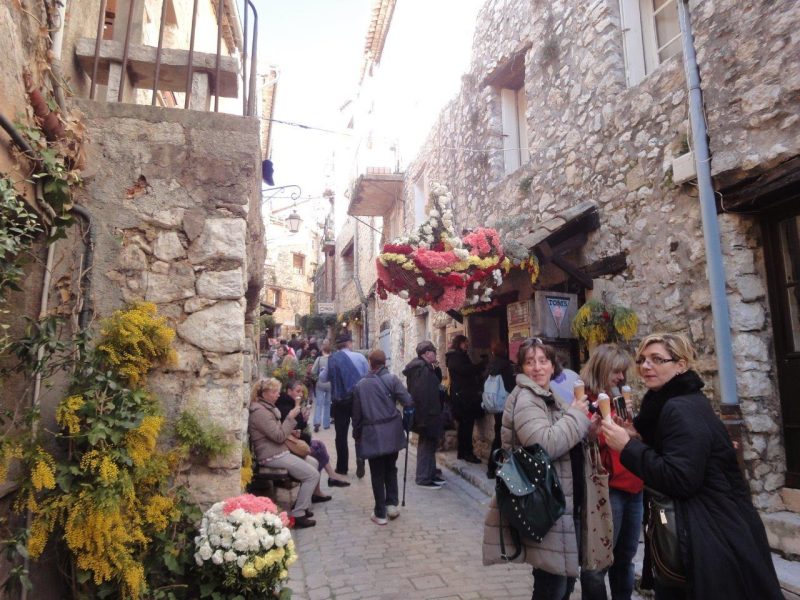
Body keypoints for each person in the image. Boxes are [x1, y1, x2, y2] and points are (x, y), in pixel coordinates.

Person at [601, 333, 782, 600]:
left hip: (710, 533)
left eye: (657, 359)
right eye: (642, 359)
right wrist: (638, 438)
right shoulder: (667, 403)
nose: (645, 366)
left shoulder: (680, 408)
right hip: (706, 526)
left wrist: (627, 447)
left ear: (681, 365)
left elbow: (680, 478)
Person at [482, 338, 591, 600]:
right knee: (552, 584)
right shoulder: (527, 398)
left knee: (560, 580)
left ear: (554, 366)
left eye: (543, 361)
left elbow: (566, 432)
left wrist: (589, 426)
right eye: (530, 362)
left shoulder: (546, 394)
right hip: (545, 501)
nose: (538, 368)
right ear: (521, 367)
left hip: (559, 500)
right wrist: (577, 415)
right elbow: (545, 444)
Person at [577, 344, 641, 600]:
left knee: (625, 559)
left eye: (623, 372)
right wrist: (589, 435)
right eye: (616, 371)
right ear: (602, 368)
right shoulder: (583, 401)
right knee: (596, 563)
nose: (621, 378)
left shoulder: (620, 399)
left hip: (634, 487)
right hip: (606, 488)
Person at [248, 378, 319, 528]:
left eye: (277, 391)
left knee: (314, 463)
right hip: (271, 455)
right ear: (264, 393)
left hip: (279, 450)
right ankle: (299, 514)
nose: (277, 395)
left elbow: (278, 432)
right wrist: (290, 417)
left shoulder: (267, 407)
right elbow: (278, 436)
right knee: (312, 475)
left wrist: (291, 430)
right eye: (274, 392)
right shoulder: (260, 412)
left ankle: (301, 505)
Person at [352, 349, 413, 525]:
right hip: (392, 431)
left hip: (372, 434)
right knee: (391, 468)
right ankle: (392, 505)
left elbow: (356, 416)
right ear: (384, 362)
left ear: (370, 363)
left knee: (377, 473)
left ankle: (380, 513)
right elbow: (408, 401)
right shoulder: (392, 380)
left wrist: (357, 435)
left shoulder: (360, 385)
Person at [275, 380, 350, 493]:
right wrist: (302, 418)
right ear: (289, 391)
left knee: (319, 446)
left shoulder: (291, 403)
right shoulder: (285, 405)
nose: (300, 394)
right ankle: (324, 484)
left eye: (301, 391)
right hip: (288, 444)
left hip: (293, 440)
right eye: (297, 391)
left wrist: (303, 418)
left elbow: (296, 425)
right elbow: (291, 425)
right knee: (318, 450)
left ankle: (325, 483)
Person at [322, 332, 369, 477]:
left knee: (340, 435)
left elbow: (323, 378)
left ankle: (342, 467)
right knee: (358, 431)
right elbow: (368, 377)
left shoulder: (332, 359)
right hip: (357, 399)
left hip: (340, 401)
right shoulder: (360, 357)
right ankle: (360, 458)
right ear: (349, 343)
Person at [403, 340, 447, 489]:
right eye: (434, 351)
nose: (435, 353)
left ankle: (430, 473)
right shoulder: (421, 370)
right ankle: (423, 477)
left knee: (429, 444)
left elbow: (435, 383)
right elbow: (421, 396)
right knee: (426, 445)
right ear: (427, 353)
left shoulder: (427, 368)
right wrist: (423, 419)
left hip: (430, 414)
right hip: (426, 415)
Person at [446, 334, 483, 464]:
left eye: (467, 342)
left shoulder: (458, 356)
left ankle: (462, 452)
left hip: (462, 396)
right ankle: (467, 453)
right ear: (459, 343)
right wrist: (480, 366)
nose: (467, 344)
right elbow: (466, 370)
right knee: (466, 426)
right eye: (464, 342)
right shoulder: (456, 357)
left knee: (464, 426)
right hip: (463, 398)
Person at [485, 340, 516, 479]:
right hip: (506, 404)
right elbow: (510, 385)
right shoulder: (506, 365)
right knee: (505, 437)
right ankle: (499, 467)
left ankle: (492, 467)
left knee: (498, 435)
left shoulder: (491, 365)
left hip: (496, 405)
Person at [311, 340, 332, 433]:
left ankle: (317, 422)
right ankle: (326, 423)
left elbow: (313, 371)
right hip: (330, 383)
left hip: (320, 382)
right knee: (327, 403)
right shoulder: (333, 359)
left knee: (319, 403)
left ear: (323, 350)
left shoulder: (319, 359)